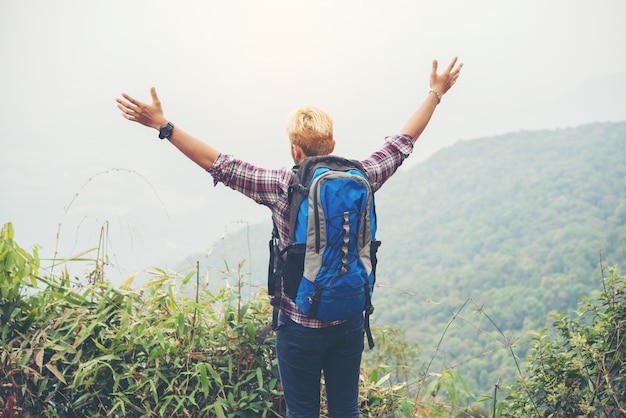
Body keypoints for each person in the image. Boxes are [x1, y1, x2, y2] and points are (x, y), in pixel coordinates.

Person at [116, 57, 462, 418]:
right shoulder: (365, 177)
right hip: (349, 318)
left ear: (296, 151)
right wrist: (436, 92)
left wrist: (163, 125)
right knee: (346, 410)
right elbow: (402, 143)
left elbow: (220, 164)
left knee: (302, 412)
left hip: (300, 325)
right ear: (332, 142)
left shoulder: (283, 186)